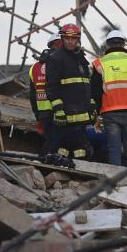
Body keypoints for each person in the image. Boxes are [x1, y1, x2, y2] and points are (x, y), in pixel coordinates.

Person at [90, 30, 127, 166]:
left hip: (109, 112)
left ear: (108, 45)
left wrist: (98, 113)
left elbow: (95, 92)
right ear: (124, 44)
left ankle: (115, 183)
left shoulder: (99, 63)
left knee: (114, 148)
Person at [45, 23, 95, 160]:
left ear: (78, 39)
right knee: (63, 149)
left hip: (82, 115)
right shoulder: (56, 58)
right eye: (67, 38)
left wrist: (91, 106)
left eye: (73, 38)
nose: (70, 41)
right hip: (65, 115)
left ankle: (80, 177)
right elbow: (51, 87)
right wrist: (58, 110)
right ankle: (60, 176)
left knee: (81, 150)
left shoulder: (82, 59)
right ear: (62, 38)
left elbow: (86, 85)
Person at [29, 33, 63, 155]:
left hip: (43, 113)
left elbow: (32, 95)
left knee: (50, 141)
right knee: (59, 144)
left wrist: (37, 116)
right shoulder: (63, 63)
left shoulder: (34, 68)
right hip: (61, 111)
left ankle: (42, 163)